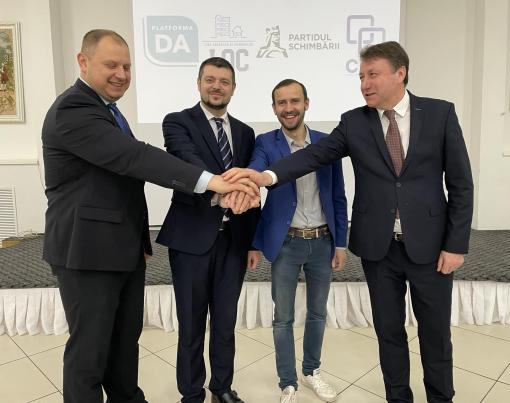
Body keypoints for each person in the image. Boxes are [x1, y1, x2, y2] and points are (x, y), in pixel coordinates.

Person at [224, 41, 474, 403]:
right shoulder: (354, 122)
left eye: (373, 74)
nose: (364, 84)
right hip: (379, 250)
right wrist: (266, 177)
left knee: (435, 334)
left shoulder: (440, 114)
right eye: (361, 76)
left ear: (400, 73)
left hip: (432, 247)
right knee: (389, 333)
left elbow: (461, 184)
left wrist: (456, 244)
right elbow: (313, 155)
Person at [42, 30, 258, 403]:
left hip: (122, 250)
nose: (121, 74)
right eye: (111, 65)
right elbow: (135, 158)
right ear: (83, 62)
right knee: (90, 354)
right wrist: (213, 182)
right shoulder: (73, 109)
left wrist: (139, 240)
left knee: (124, 344)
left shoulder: (108, 111)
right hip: (87, 252)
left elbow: (123, 185)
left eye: (127, 66)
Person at [156, 57, 260, 403]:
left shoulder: (245, 133)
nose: (217, 86)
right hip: (190, 239)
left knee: (226, 324)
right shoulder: (177, 122)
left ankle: (221, 388)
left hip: (234, 241)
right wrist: (223, 190)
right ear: (199, 83)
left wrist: (253, 242)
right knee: (191, 323)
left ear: (233, 88)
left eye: (224, 81)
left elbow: (251, 183)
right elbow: (188, 162)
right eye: (210, 80)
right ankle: (191, 394)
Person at [247, 79, 347, 403]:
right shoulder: (265, 142)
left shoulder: (326, 143)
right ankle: (287, 381)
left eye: (294, 101)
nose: (288, 108)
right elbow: (256, 171)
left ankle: (311, 371)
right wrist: (250, 179)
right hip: (286, 244)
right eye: (282, 103)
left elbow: (338, 195)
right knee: (283, 318)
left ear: (306, 103)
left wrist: (341, 243)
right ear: (274, 107)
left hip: (322, 241)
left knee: (318, 312)